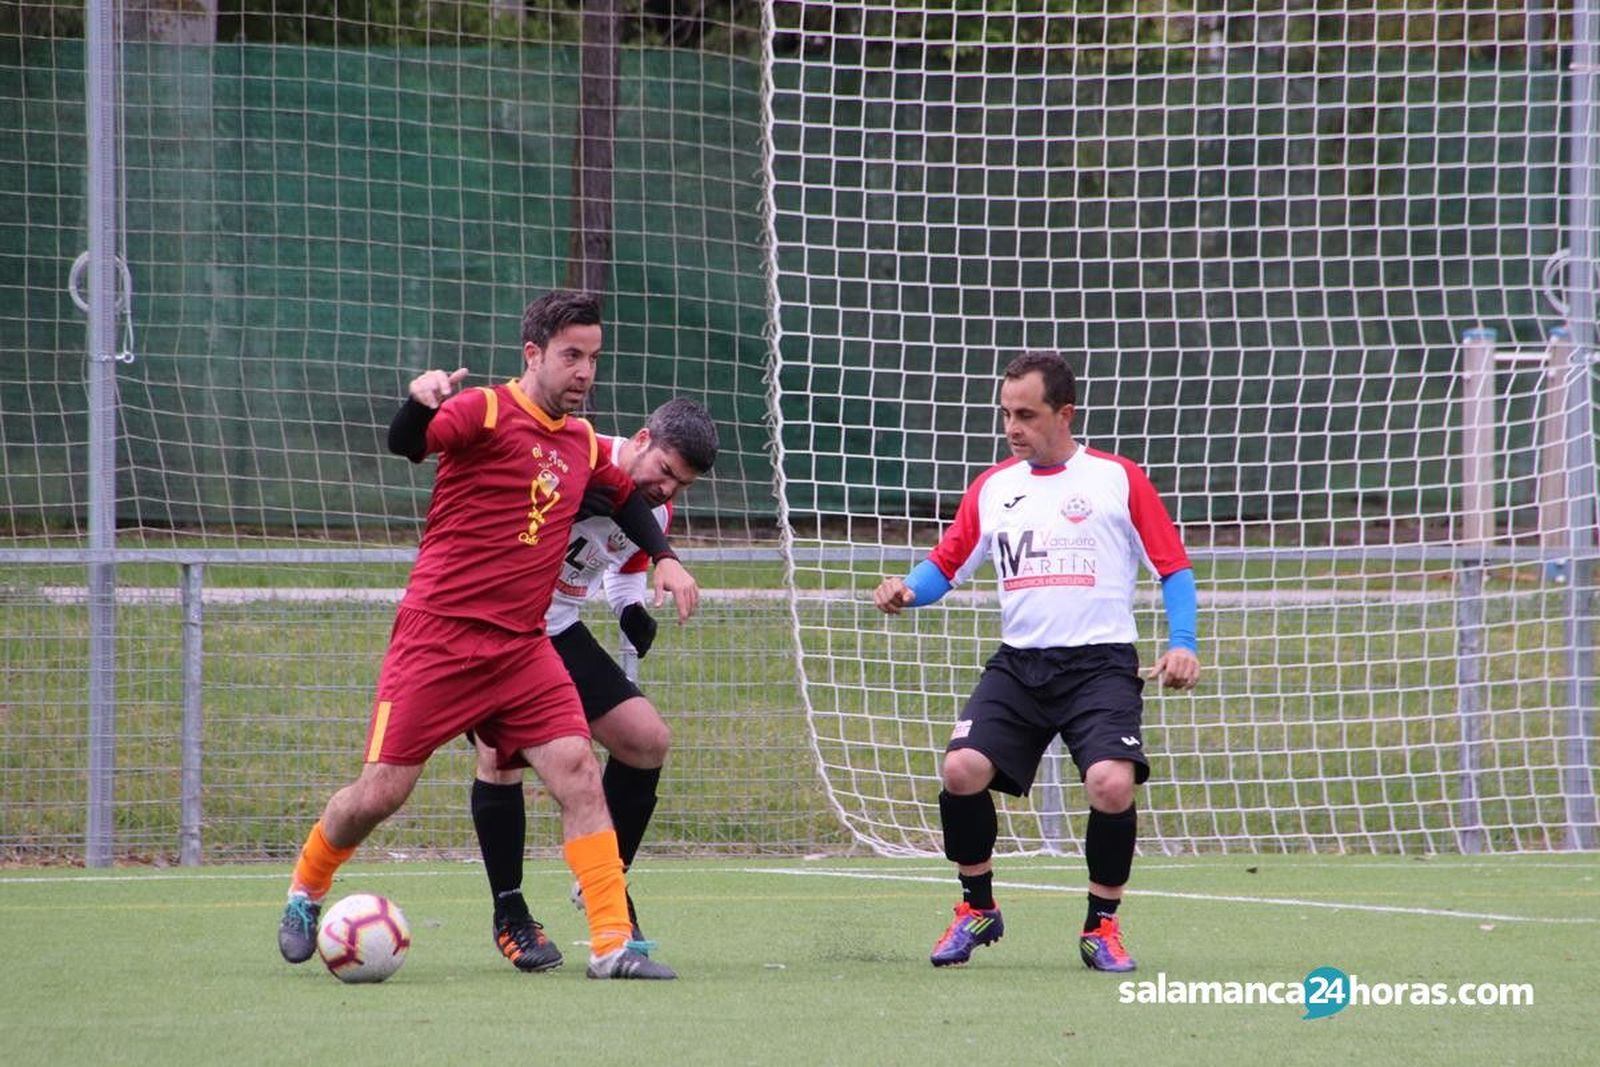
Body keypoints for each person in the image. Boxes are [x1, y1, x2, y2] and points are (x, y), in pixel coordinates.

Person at [275, 289, 698, 980]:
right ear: (532, 354)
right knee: (379, 794)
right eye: (571, 355)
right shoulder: (484, 410)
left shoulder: (581, 441)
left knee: (580, 772)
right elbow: (408, 443)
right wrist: (420, 401)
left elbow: (625, 497)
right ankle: (306, 888)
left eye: (592, 357)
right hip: (437, 640)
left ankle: (612, 943)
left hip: (521, 648)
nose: (584, 371)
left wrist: (669, 559)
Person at [872, 351, 1200, 973]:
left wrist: (1183, 641)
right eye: (1006, 414)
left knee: (1110, 782)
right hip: (1019, 666)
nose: (1012, 427)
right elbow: (947, 563)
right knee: (961, 769)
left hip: (1100, 667)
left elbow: (1173, 566)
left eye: (1027, 414)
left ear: (1064, 414)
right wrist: (908, 589)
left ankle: (1101, 926)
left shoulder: (1117, 478)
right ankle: (977, 907)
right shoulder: (996, 487)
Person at [470, 397, 718, 973]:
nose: (667, 491)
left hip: (557, 630)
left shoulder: (655, 515)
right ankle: (510, 914)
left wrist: (632, 611)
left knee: (646, 740)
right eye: (664, 473)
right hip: (493, 626)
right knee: (500, 759)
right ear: (639, 439)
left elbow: (622, 571)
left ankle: (604, 879)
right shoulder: (569, 458)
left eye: (682, 485)